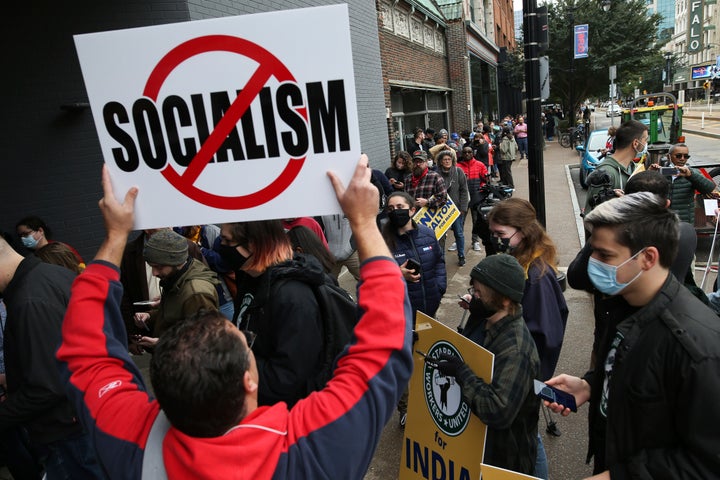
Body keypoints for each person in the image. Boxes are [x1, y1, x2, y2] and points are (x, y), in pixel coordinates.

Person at [56, 158, 412, 479]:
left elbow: (85, 350)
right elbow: (386, 343)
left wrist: (115, 235)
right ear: (249, 381)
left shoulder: (128, 445)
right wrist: (364, 222)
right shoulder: (315, 452)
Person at [546, 192, 720, 479]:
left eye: (604, 255)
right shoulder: (622, 302)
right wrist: (592, 385)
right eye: (593, 252)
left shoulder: (697, 348)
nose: (593, 263)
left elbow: (706, 464)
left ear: (648, 258)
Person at [0, 229, 103, 478]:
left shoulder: (29, 301)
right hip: (85, 418)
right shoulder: (50, 274)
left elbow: (48, 387)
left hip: (69, 434)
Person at [488, 197, 568, 479]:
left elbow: (547, 335)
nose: (496, 240)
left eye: (501, 235)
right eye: (493, 234)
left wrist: (532, 380)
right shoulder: (522, 261)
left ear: (523, 231)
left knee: (526, 438)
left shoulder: (536, 276)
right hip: (517, 371)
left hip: (522, 375)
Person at [439, 254, 540, 475]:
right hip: (476, 445)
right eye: (473, 291)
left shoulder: (516, 349)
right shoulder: (487, 316)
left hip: (503, 459)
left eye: (479, 294)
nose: (473, 297)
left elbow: (497, 410)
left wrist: (462, 373)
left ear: (504, 300)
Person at [132, 230, 220, 351]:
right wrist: (149, 316)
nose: (154, 273)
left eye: (159, 267)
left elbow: (203, 340)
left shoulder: (196, 294)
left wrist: (162, 343)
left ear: (175, 261)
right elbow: (175, 312)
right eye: (151, 266)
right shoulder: (177, 279)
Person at [383, 191, 446, 319]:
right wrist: (397, 274)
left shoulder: (428, 234)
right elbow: (374, 280)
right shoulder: (382, 243)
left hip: (430, 308)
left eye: (400, 207)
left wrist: (439, 288)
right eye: (391, 209)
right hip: (401, 314)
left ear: (412, 210)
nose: (395, 211)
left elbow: (439, 261)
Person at [584, 120, 647, 216]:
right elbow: (591, 217)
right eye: (645, 140)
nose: (646, 144)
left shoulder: (633, 168)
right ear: (635, 143)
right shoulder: (605, 173)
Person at [649, 143, 716, 224]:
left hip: (683, 222)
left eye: (686, 156)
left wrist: (690, 175)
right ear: (668, 156)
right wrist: (649, 174)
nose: (682, 159)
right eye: (678, 156)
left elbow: (709, 188)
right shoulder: (660, 171)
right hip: (662, 221)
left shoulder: (692, 173)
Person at [436, 150, 470, 266]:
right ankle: (441, 258)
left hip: (456, 209)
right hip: (440, 210)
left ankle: (461, 255)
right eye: (444, 159)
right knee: (441, 236)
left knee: (459, 233)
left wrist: (463, 208)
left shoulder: (458, 171)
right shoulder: (435, 173)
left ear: (452, 161)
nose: (446, 161)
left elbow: (464, 191)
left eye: (449, 159)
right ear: (440, 162)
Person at [16, 215, 85, 269]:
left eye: (26, 234)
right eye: (20, 236)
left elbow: (80, 267)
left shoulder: (59, 249)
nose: (23, 238)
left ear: (40, 230)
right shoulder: (32, 258)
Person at [457, 146, 489, 253]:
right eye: (465, 152)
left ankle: (475, 241)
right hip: (463, 198)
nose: (467, 154)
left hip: (476, 196)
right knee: (460, 220)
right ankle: (458, 240)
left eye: (469, 152)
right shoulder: (458, 166)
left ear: (473, 153)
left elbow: (486, 179)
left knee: (476, 221)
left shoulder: (480, 165)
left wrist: (482, 188)